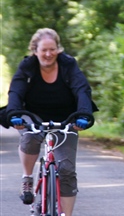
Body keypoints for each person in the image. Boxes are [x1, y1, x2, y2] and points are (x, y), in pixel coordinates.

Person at [5, 28, 98, 216]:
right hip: (33, 115)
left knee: (67, 170)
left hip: (66, 117)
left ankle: (67, 214)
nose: (48, 54)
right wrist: (13, 113)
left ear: (58, 49)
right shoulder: (28, 67)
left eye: (52, 49)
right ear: (35, 50)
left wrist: (83, 115)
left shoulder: (68, 65)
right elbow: (16, 91)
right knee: (30, 137)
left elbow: (82, 90)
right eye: (44, 50)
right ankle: (27, 178)